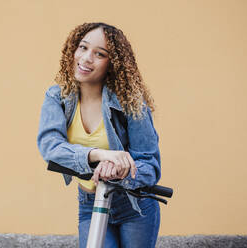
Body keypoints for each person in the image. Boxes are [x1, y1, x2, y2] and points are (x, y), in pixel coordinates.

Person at [37, 22, 161, 248]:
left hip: (135, 207)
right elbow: (50, 148)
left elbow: (150, 164)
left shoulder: (131, 102)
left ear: (112, 64)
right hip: (89, 203)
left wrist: (120, 171)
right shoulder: (58, 97)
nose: (86, 58)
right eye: (83, 48)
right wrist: (102, 155)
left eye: (99, 54)